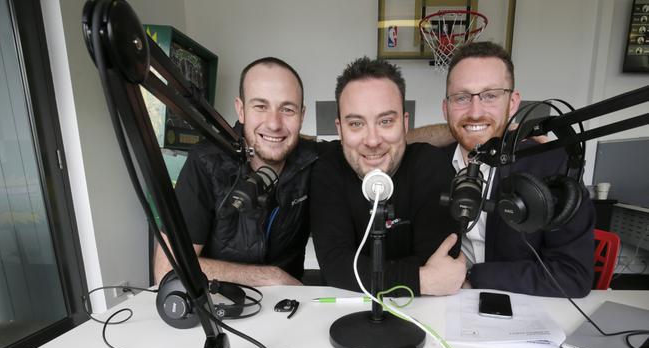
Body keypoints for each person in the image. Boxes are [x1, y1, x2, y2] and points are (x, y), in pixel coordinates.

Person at [438, 41, 594, 297]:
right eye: (462, 98)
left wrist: (473, 277)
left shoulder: (552, 165)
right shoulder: (429, 163)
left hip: (519, 310)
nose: (475, 112)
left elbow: (573, 275)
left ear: (512, 103)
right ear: (446, 108)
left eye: (490, 95)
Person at [153, 57, 317, 286]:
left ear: (302, 115)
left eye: (287, 109)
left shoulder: (315, 161)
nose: (274, 123)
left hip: (288, 307)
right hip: (220, 304)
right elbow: (167, 268)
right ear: (241, 110)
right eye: (260, 106)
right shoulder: (205, 162)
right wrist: (271, 277)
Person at [310, 57, 466, 296]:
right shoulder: (328, 170)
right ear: (340, 129)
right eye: (356, 124)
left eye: (385, 121)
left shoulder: (431, 165)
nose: (372, 140)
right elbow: (335, 269)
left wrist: (365, 274)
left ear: (404, 124)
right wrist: (420, 279)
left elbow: (442, 265)